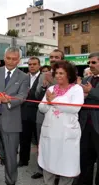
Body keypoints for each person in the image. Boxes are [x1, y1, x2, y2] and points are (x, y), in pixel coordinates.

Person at [0, 47, 29, 185]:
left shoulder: (23, 77)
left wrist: (9, 100)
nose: (10, 61)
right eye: (8, 58)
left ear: (19, 60)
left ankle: (10, 181)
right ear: (4, 57)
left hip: (11, 122)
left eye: (14, 59)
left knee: (11, 156)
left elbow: (22, 96)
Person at [38, 61, 84, 185]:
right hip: (50, 132)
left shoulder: (77, 89)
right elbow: (41, 108)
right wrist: (48, 103)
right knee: (48, 163)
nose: (58, 76)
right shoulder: (51, 88)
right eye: (56, 73)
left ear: (69, 75)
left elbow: (74, 108)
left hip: (66, 134)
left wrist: (53, 101)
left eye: (61, 73)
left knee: (67, 166)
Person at [32, 49, 64, 180]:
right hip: (42, 115)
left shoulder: (68, 74)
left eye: (56, 57)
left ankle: (58, 173)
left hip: (59, 117)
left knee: (58, 146)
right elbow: (37, 96)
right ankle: (42, 169)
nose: (53, 59)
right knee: (42, 144)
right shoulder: (43, 75)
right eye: (51, 57)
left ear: (62, 58)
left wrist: (53, 82)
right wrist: (44, 87)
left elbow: (65, 93)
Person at [76, 52, 99, 185]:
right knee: (85, 158)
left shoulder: (88, 84)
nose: (90, 65)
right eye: (89, 63)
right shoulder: (85, 80)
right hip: (84, 126)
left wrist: (91, 92)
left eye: (94, 62)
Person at [18, 57, 41, 167]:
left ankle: (40, 165)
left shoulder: (44, 77)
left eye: (34, 64)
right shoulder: (24, 77)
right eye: (30, 64)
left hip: (38, 113)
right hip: (24, 113)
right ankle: (23, 160)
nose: (32, 66)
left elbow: (41, 95)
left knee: (39, 141)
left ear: (39, 65)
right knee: (24, 139)